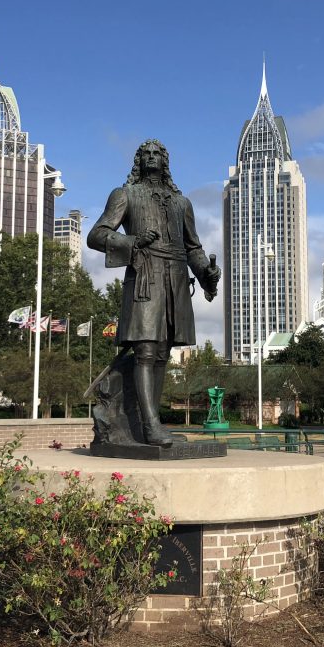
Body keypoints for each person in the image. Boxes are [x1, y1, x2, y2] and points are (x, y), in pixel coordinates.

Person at [87, 140, 221, 448]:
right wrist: (133, 240)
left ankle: (152, 423)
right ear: (138, 160)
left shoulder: (182, 202)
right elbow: (97, 234)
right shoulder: (125, 195)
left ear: (164, 162)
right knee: (146, 351)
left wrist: (206, 273)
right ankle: (149, 427)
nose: (150, 157)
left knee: (162, 353)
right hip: (145, 275)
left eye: (156, 154)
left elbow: (193, 247)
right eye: (145, 154)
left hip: (175, 280)